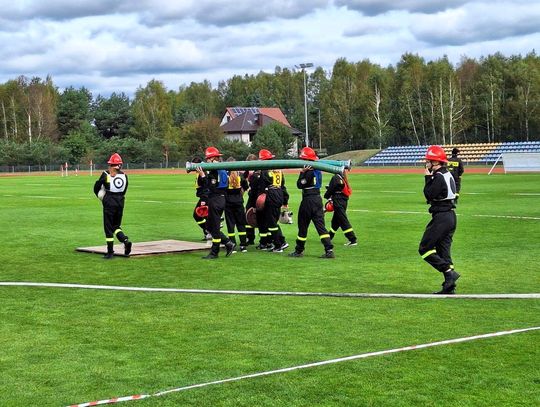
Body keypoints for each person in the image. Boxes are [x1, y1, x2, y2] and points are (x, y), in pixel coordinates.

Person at [419, 145, 460, 294]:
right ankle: (449, 286)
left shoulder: (438, 176)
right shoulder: (447, 174)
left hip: (442, 217)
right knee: (444, 253)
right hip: (449, 216)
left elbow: (428, 194)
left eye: (429, 161)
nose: (427, 164)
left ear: (435, 162)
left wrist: (427, 177)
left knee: (424, 248)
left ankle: (449, 274)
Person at [289, 147, 334, 258]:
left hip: (308, 200)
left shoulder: (308, 172)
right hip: (317, 198)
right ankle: (329, 250)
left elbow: (300, 184)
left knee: (303, 225)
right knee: (321, 226)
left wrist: (302, 173)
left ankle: (299, 250)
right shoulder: (317, 169)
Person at [196, 146, 236, 259]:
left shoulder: (215, 169)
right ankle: (228, 243)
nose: (207, 161)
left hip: (216, 199)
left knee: (214, 226)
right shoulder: (222, 168)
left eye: (208, 159)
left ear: (213, 158)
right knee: (209, 225)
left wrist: (203, 176)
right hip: (220, 198)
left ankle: (215, 252)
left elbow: (210, 187)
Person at [93, 153, 132, 259]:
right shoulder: (124, 175)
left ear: (111, 165)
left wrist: (100, 197)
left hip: (109, 201)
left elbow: (96, 186)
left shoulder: (106, 174)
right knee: (116, 226)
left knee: (108, 227)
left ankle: (110, 252)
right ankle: (125, 240)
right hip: (120, 201)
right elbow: (124, 190)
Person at [258, 149, 289, 252]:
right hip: (279, 194)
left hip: (271, 196)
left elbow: (262, 187)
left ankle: (279, 244)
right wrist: (285, 201)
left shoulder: (264, 171)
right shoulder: (278, 170)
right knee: (273, 221)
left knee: (271, 223)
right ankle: (281, 242)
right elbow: (283, 186)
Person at [324, 170, 357, 246]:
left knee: (343, 220)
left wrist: (326, 196)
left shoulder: (335, 177)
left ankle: (352, 239)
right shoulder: (342, 177)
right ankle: (330, 237)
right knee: (336, 220)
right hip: (343, 199)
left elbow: (332, 188)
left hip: (338, 200)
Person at [224, 157, 249, 252]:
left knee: (230, 225)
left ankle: (232, 244)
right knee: (241, 224)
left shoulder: (225, 175)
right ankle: (243, 246)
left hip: (228, 202)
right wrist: (240, 195)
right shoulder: (241, 175)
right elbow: (246, 187)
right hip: (238, 202)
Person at [191, 156, 211, 241]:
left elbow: (206, 188)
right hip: (204, 196)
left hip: (205, 197)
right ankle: (207, 232)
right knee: (203, 216)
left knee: (197, 215)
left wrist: (203, 200)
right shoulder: (200, 173)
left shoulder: (203, 174)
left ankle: (209, 231)